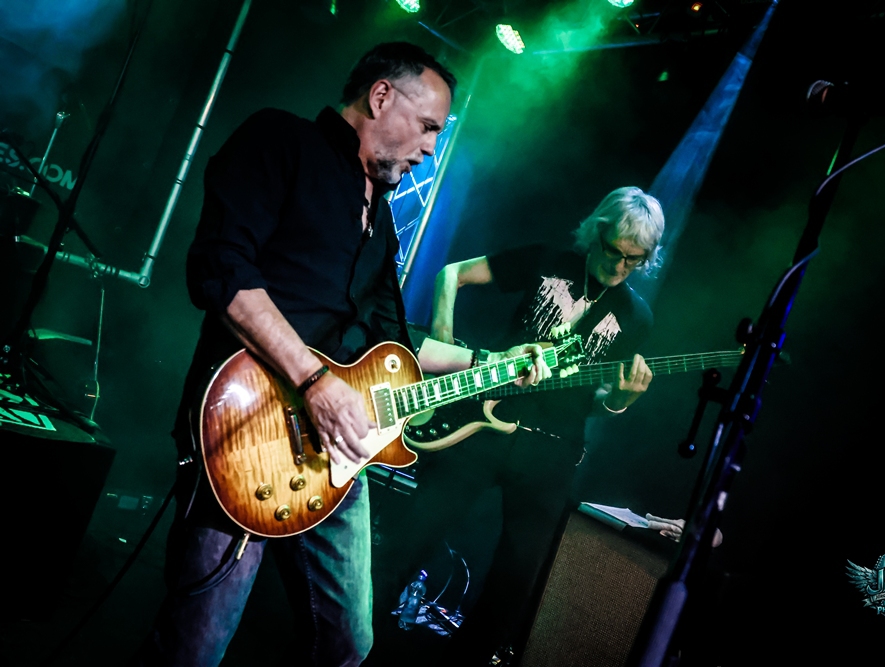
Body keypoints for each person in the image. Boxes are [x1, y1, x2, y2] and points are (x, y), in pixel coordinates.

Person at [133, 42, 551, 667]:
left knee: (348, 644)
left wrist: (492, 362)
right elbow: (221, 271)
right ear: (381, 96)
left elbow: (397, 345)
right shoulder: (280, 140)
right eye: (428, 126)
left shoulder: (380, 218)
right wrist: (314, 382)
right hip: (248, 431)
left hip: (337, 456)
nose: (431, 148)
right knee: (195, 647)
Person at [376, 186, 672, 666]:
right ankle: (353, 645)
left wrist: (620, 399)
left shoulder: (637, 317)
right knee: (411, 537)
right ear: (597, 233)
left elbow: (596, 402)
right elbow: (452, 274)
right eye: (614, 251)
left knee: (514, 585)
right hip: (479, 425)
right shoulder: (548, 260)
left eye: (634, 259)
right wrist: (445, 343)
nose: (620, 266)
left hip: (551, 451)